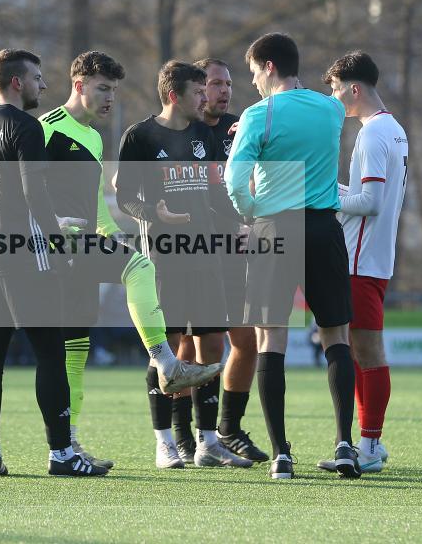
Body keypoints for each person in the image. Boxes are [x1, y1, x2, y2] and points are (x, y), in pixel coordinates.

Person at [39, 51, 221, 469]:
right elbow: (24, 186)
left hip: (84, 248)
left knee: (76, 350)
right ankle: (166, 361)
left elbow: (95, 203)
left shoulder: (93, 138)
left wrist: (111, 234)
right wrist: (48, 223)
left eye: (114, 90)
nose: (110, 98)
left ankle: (68, 445)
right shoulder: (47, 129)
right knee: (140, 267)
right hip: (56, 252)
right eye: (103, 88)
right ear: (79, 85)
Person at [0, 48, 104, 477]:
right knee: (51, 353)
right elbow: (32, 191)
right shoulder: (26, 127)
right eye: (38, 78)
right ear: (17, 82)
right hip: (25, 255)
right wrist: (57, 241)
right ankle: (62, 455)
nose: (43, 85)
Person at [225, 33, 358, 479]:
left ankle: (281, 453)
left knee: (271, 339)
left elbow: (234, 181)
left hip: (274, 229)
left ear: (268, 67)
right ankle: (344, 445)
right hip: (323, 228)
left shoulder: (257, 115)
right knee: (336, 336)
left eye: (253, 73)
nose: (253, 83)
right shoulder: (331, 109)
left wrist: (250, 212)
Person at [117, 60, 251, 470]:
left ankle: (207, 442)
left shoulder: (202, 135)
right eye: (198, 92)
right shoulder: (139, 136)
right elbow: (124, 196)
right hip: (163, 260)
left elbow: (216, 193)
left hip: (206, 256)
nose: (205, 98)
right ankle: (164, 444)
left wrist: (243, 221)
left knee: (212, 345)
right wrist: (154, 215)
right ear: (175, 95)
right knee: (169, 350)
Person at [168, 59, 268, 465]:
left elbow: (252, 179)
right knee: (188, 345)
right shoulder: (182, 131)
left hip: (235, 252)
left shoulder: (238, 128)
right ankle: (182, 433)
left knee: (246, 341)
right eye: (214, 84)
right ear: (195, 88)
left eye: (227, 83)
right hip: (194, 252)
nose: (223, 91)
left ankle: (228, 429)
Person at [314, 51, 408, 474]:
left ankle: (368, 446)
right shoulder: (393, 129)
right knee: (358, 349)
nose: (334, 98)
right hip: (374, 256)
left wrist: (328, 198)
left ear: (354, 89)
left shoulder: (372, 135)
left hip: (360, 258)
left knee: (367, 351)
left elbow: (369, 203)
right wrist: (334, 189)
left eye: (336, 90)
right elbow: (369, 196)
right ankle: (372, 440)